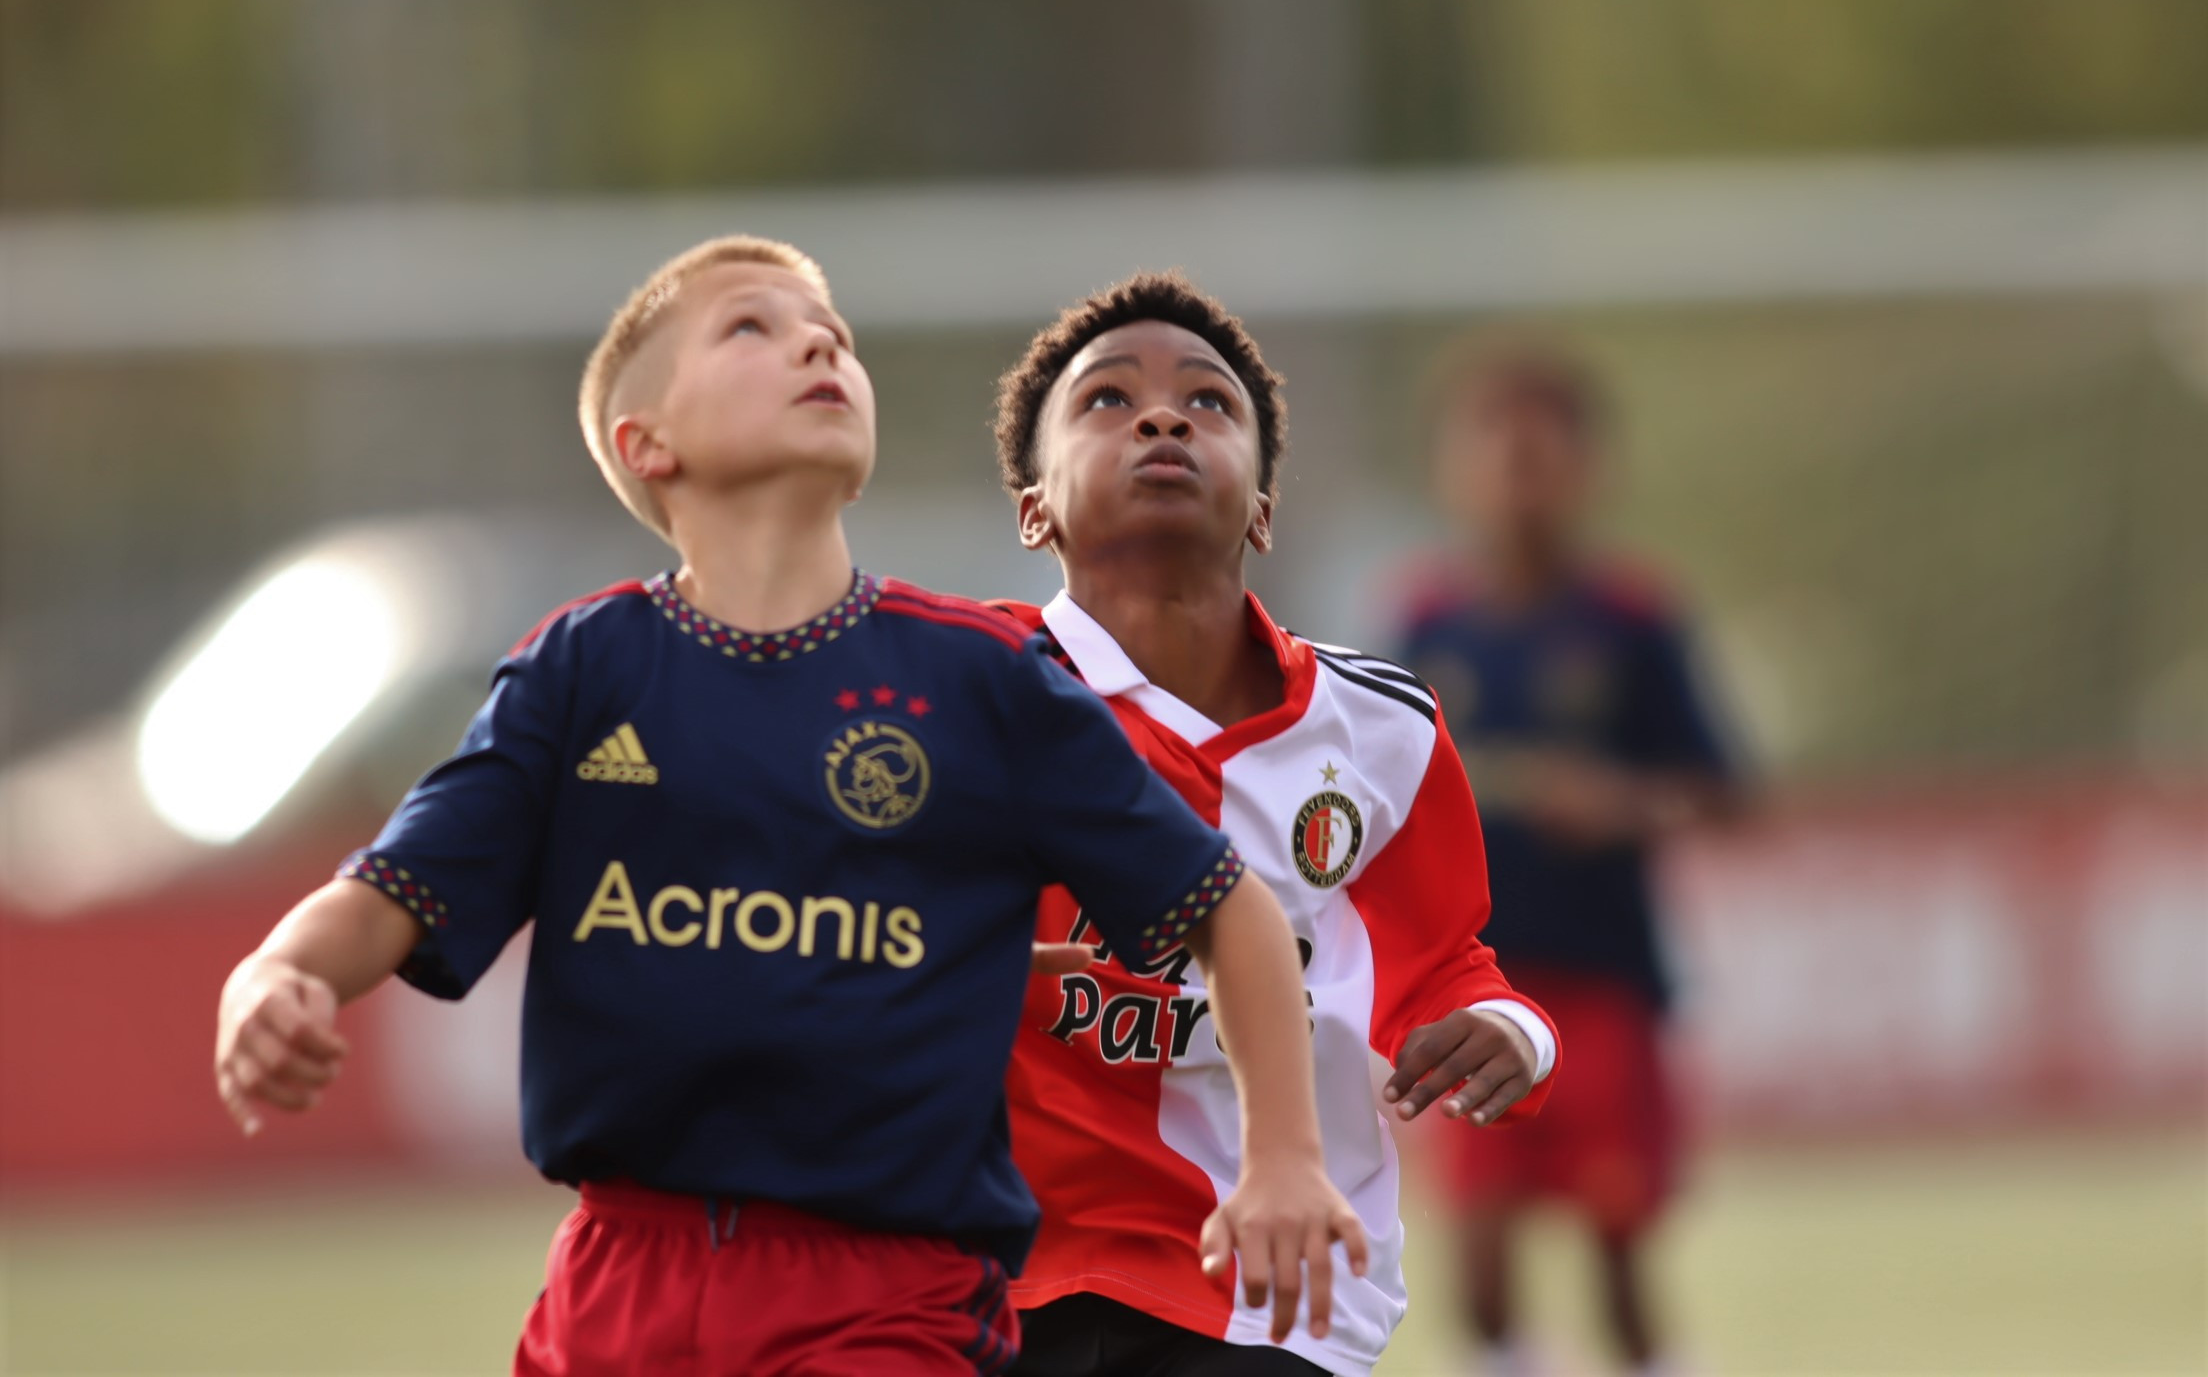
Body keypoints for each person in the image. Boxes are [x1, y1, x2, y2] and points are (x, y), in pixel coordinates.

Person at [212, 236, 1366, 1377]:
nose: (818, 341)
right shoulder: (583, 670)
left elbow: (1233, 912)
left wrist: (1283, 1159)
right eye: (751, 327)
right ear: (645, 442)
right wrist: (278, 971)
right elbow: (399, 884)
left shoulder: (981, 681)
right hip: (615, 1290)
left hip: (887, 1299)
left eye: (837, 337)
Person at [987, 273, 1559, 1377]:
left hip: (1276, 1290)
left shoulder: (1382, 729)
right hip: (1008, 1271)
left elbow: (1439, 962)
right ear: (1034, 510)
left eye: (1210, 403)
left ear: (1260, 506)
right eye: (1106, 401)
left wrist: (1511, 1030)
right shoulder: (964, 691)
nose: (1162, 416)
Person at [1397, 346, 1743, 1377]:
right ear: (1454, 471)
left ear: (1589, 470)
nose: (1517, 475)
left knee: (1619, 1255)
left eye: (1541, 453)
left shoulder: (1633, 621)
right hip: (1469, 987)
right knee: (1484, 1267)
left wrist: (1627, 803)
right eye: (1495, 451)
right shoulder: (1425, 622)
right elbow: (1375, 778)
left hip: (1602, 985)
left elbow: (1724, 792)